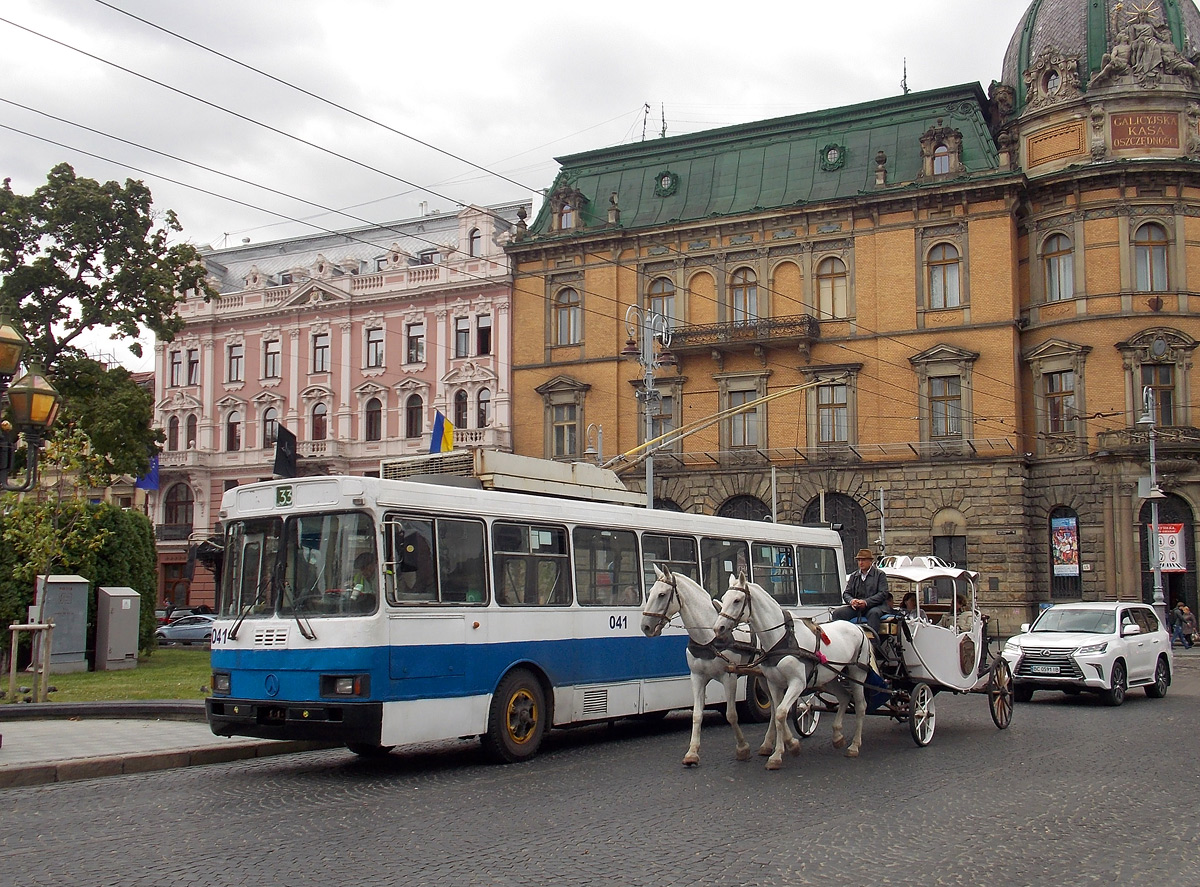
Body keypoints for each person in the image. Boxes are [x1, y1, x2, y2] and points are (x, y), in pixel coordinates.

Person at [832, 548, 890, 638]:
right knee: (838, 613)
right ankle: (840, 638)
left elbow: (883, 593)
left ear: (870, 561)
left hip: (875, 606)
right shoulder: (854, 576)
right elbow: (846, 593)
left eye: (863, 560)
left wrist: (866, 602)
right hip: (857, 607)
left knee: (873, 614)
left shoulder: (879, 575)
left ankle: (873, 643)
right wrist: (852, 601)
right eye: (859, 560)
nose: (860, 563)